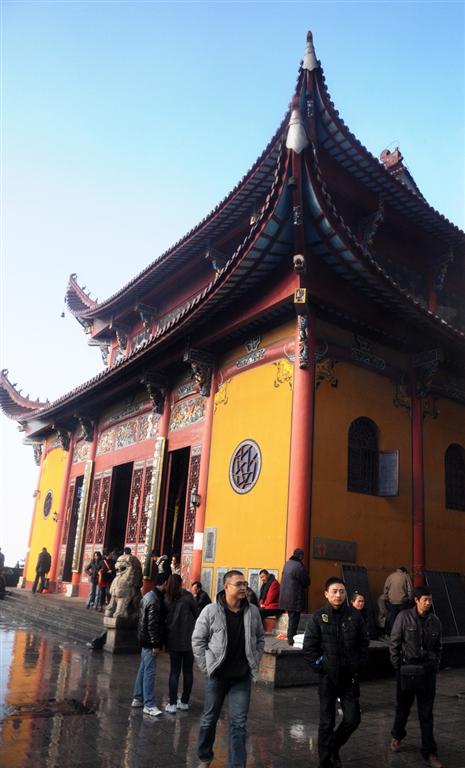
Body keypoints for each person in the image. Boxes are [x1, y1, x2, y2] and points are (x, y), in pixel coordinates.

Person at [192, 569, 265, 768]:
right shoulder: (210, 611)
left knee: (238, 724)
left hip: (241, 677)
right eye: (239, 584)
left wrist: (255, 659)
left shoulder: (252, 611)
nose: (244, 588)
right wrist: (206, 667)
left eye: (245, 584)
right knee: (209, 719)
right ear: (226, 587)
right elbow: (198, 640)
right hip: (217, 675)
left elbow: (260, 638)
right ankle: (205, 756)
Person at [303, 577, 369, 768]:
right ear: (326, 594)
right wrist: (321, 665)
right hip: (328, 677)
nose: (338, 595)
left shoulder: (354, 616)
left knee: (352, 719)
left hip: (349, 677)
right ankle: (325, 761)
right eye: (334, 591)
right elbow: (309, 648)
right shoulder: (318, 617)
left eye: (341, 591)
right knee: (326, 722)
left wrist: (358, 664)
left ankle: (333, 746)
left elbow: (363, 644)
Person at [389, 585, 443, 768]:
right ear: (417, 600)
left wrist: (435, 665)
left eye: (430, 600)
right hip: (407, 671)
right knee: (403, 709)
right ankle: (397, 735)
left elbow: (439, 647)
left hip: (427, 673)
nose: (428, 603)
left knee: (426, 713)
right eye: (425, 600)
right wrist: (398, 668)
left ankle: (430, 753)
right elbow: (394, 643)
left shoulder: (435, 621)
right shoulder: (404, 617)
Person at [131, 575, 166, 717]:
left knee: (143, 668)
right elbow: (151, 624)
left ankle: (138, 697)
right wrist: (155, 644)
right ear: (164, 583)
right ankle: (149, 704)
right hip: (149, 641)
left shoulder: (148, 596)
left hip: (144, 638)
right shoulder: (154, 599)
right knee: (149, 671)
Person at [164, 573, 199, 713]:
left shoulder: (166, 598)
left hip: (173, 639)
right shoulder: (188, 597)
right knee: (188, 671)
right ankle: (184, 701)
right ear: (181, 582)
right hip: (189, 639)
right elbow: (197, 614)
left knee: (174, 672)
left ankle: (172, 703)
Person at [279, 548, 310, 645]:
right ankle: (291, 638)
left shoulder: (287, 564)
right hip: (295, 597)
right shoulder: (298, 566)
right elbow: (306, 581)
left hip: (286, 596)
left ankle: (290, 636)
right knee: (294, 618)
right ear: (300, 556)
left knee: (291, 617)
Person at [383, 567, 413, 635]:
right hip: (403, 602)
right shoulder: (406, 576)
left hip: (392, 602)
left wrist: (386, 599)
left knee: (393, 619)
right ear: (405, 571)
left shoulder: (390, 576)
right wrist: (410, 599)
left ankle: (393, 635)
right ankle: (402, 634)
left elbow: (385, 589)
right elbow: (410, 590)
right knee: (403, 619)